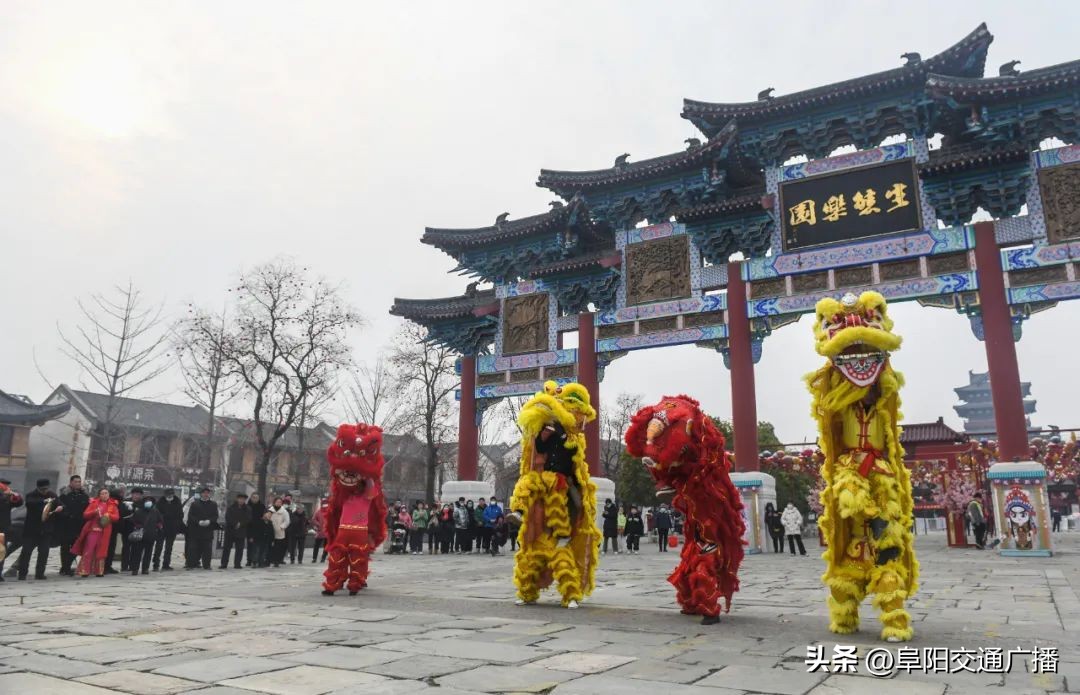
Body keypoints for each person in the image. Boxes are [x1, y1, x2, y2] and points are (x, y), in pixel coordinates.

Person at [72, 488, 120, 577]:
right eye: (102, 493)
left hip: (105, 531)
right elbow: (85, 514)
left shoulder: (113, 505)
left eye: (106, 493)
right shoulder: (94, 503)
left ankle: (99, 571)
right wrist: (94, 512)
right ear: (99, 495)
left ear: (109, 495)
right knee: (89, 549)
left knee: (101, 551)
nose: (104, 495)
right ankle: (84, 570)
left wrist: (108, 515)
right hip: (93, 530)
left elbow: (116, 517)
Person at [17, 478, 57, 580]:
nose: (45, 491)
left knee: (44, 553)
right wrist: (44, 501)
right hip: (31, 530)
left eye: (46, 489)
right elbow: (30, 503)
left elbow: (60, 504)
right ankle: (22, 574)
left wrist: (61, 507)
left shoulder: (52, 495)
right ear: (38, 488)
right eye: (42, 489)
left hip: (46, 530)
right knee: (26, 552)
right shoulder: (31, 495)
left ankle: (40, 573)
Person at [55, 475, 89, 576]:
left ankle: (66, 566)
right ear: (71, 482)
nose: (78, 483)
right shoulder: (64, 495)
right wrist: (66, 515)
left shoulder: (84, 495)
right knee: (65, 547)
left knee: (76, 546)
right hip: (66, 524)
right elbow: (60, 507)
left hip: (79, 525)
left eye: (79, 482)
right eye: (76, 481)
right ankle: (65, 568)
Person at [186, 487, 219, 570]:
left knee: (207, 548)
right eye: (204, 493)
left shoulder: (213, 504)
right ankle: (191, 564)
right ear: (201, 494)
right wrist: (198, 521)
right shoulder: (195, 504)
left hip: (208, 530)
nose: (205, 494)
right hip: (196, 530)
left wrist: (209, 521)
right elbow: (191, 515)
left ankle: (207, 565)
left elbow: (215, 515)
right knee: (193, 548)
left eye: (207, 493)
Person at [129, 496, 163, 575]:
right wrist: (138, 526)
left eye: (150, 501)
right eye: (147, 501)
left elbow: (160, 521)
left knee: (148, 553)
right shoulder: (139, 511)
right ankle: (135, 569)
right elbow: (133, 520)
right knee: (137, 552)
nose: (148, 502)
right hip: (140, 535)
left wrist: (158, 526)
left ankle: (145, 568)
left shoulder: (155, 511)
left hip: (151, 535)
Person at [155, 488, 183, 571]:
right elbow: (156, 513)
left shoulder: (177, 502)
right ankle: (156, 564)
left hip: (172, 528)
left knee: (169, 547)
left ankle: (166, 564)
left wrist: (177, 526)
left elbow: (180, 515)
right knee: (158, 547)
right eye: (168, 494)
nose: (169, 496)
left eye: (171, 494)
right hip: (161, 527)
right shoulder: (160, 502)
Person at [221, 493, 251, 569]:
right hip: (230, 530)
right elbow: (228, 517)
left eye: (243, 499)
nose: (241, 500)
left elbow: (248, 519)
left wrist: (240, 524)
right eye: (240, 499)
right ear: (237, 499)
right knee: (226, 548)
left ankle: (237, 564)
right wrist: (235, 524)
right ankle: (224, 564)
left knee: (239, 549)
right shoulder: (231, 507)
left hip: (241, 531)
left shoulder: (248, 509)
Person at [0, 478, 23, 580]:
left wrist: (16, 496)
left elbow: (19, 503)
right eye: (4, 485)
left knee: (1, 552)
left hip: (3, 529)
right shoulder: (4, 497)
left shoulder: (7, 497)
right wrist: (5, 496)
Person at [120, 487, 146, 571]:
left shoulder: (143, 504)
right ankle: (124, 566)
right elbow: (121, 513)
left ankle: (133, 566)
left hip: (137, 529)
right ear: (132, 494)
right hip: (126, 528)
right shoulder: (126, 502)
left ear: (141, 495)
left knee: (136, 548)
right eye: (135, 494)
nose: (136, 496)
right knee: (126, 547)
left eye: (138, 494)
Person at [105, 487, 128, 574]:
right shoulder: (114, 502)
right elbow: (121, 513)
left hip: (114, 528)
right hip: (110, 527)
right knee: (109, 548)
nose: (123, 494)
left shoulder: (119, 502)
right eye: (121, 493)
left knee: (111, 548)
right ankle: (106, 566)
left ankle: (107, 566)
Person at [246, 493, 267, 566]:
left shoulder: (262, 506)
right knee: (250, 545)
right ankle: (249, 560)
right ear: (251, 498)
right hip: (250, 527)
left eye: (256, 497)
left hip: (259, 528)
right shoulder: (247, 506)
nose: (255, 499)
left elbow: (264, 516)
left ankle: (257, 559)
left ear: (258, 498)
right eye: (253, 497)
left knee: (258, 545)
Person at [269, 497, 290, 567]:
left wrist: (282, 527)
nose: (278, 503)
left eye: (280, 502)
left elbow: (287, 521)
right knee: (271, 547)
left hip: (280, 531)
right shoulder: (270, 510)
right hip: (271, 531)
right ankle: (270, 559)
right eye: (277, 502)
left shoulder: (284, 511)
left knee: (278, 547)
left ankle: (277, 561)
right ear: (274, 502)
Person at [287, 499, 308, 564]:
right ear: (296, 509)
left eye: (301, 509)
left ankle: (300, 559)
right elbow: (293, 522)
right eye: (298, 509)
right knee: (292, 547)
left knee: (301, 548)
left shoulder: (305, 515)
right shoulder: (293, 515)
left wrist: (306, 529)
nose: (300, 510)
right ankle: (292, 559)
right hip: (294, 533)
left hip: (302, 534)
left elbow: (307, 523)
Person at [311, 498, 329, 563]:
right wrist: (318, 524)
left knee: (326, 546)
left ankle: (323, 558)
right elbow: (313, 519)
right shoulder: (318, 512)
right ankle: (314, 558)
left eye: (326, 503)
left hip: (327, 532)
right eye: (323, 503)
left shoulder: (330, 512)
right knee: (316, 545)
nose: (325, 505)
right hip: (320, 531)